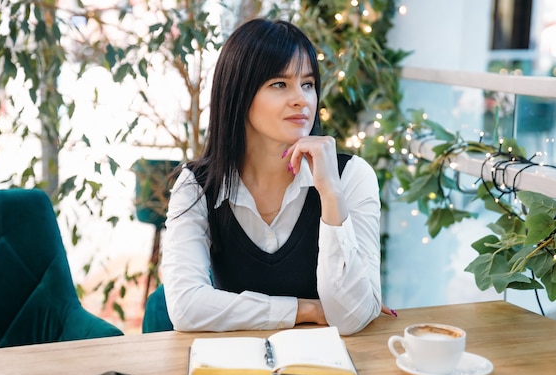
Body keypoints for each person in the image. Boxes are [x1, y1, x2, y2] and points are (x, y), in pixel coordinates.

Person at [161, 18, 389, 336]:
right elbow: (186, 307)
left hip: (331, 368)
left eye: (308, 84)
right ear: (239, 95)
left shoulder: (350, 176)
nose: (302, 99)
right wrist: (304, 309)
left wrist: (331, 194)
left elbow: (351, 318)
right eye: (280, 84)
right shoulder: (197, 186)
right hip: (235, 368)